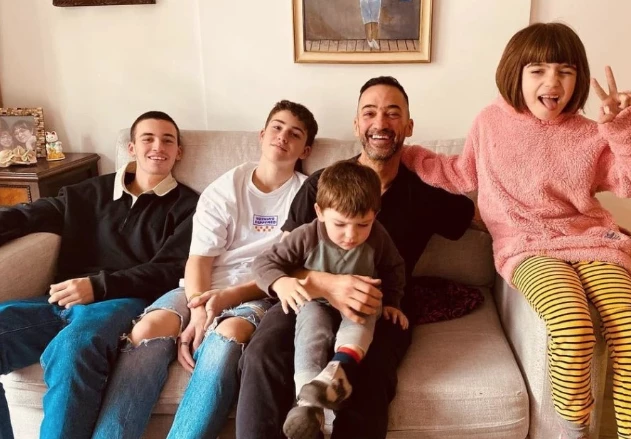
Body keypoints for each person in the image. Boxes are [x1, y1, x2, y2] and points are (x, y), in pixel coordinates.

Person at [401, 23, 631, 439]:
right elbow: (461, 173)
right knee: (572, 323)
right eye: (538, 70)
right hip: (526, 247)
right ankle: (574, 426)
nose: (552, 82)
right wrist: (407, 155)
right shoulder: (490, 122)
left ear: (578, 78)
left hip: (592, 242)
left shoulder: (591, 134)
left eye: (565, 71)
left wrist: (626, 126)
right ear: (516, 73)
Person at [235, 76, 475, 439]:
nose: (380, 123)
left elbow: (487, 213)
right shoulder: (323, 185)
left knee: (370, 374)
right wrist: (326, 284)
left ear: (409, 126)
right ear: (356, 124)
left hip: (378, 304)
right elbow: (279, 260)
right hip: (307, 298)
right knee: (262, 354)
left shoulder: (425, 190)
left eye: (393, 113)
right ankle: (305, 411)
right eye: (370, 113)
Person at [92, 100, 318, 439]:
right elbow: (199, 259)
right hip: (200, 286)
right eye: (277, 127)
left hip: (257, 294)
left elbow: (287, 270)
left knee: (225, 340)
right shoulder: (228, 185)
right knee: (147, 330)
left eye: (295, 134)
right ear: (262, 134)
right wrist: (198, 309)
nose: (283, 137)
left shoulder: (306, 193)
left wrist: (224, 302)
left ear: (306, 150)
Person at [0, 110, 198, 439]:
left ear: (179, 152)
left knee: (74, 347)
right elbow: (28, 215)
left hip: (123, 302)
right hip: (60, 298)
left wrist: (99, 286)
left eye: (168, 140)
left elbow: (171, 269)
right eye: (148, 138)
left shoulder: (189, 207)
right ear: (132, 147)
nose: (157, 146)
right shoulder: (87, 193)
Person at [252, 160, 409, 439]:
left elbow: (394, 268)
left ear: (375, 215)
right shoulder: (307, 235)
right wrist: (281, 282)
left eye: (363, 224)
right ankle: (308, 405)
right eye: (340, 224)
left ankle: (339, 371)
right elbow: (264, 263)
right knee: (311, 333)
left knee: (365, 314)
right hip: (316, 302)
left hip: (359, 300)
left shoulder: (378, 237)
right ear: (320, 212)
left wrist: (393, 303)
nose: (351, 235)